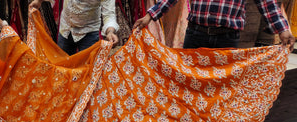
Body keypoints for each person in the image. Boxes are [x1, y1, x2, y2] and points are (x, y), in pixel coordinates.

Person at [133, 0, 295, 50]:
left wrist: (283, 29)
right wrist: (150, 15)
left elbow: (267, 3)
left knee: (220, 89)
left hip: (226, 38)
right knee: (192, 85)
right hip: (195, 35)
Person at [29, 0, 119, 55]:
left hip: (89, 33)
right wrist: (39, 1)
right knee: (63, 68)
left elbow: (109, 14)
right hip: (66, 30)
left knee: (87, 71)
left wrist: (110, 32)